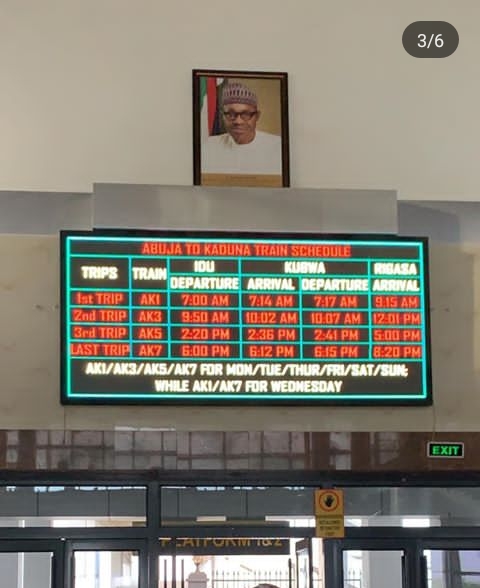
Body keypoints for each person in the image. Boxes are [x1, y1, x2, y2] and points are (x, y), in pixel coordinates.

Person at [201, 81, 283, 176]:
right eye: (231, 114)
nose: (238, 121)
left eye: (246, 114)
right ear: (223, 116)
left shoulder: (277, 147)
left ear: (257, 116)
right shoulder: (209, 146)